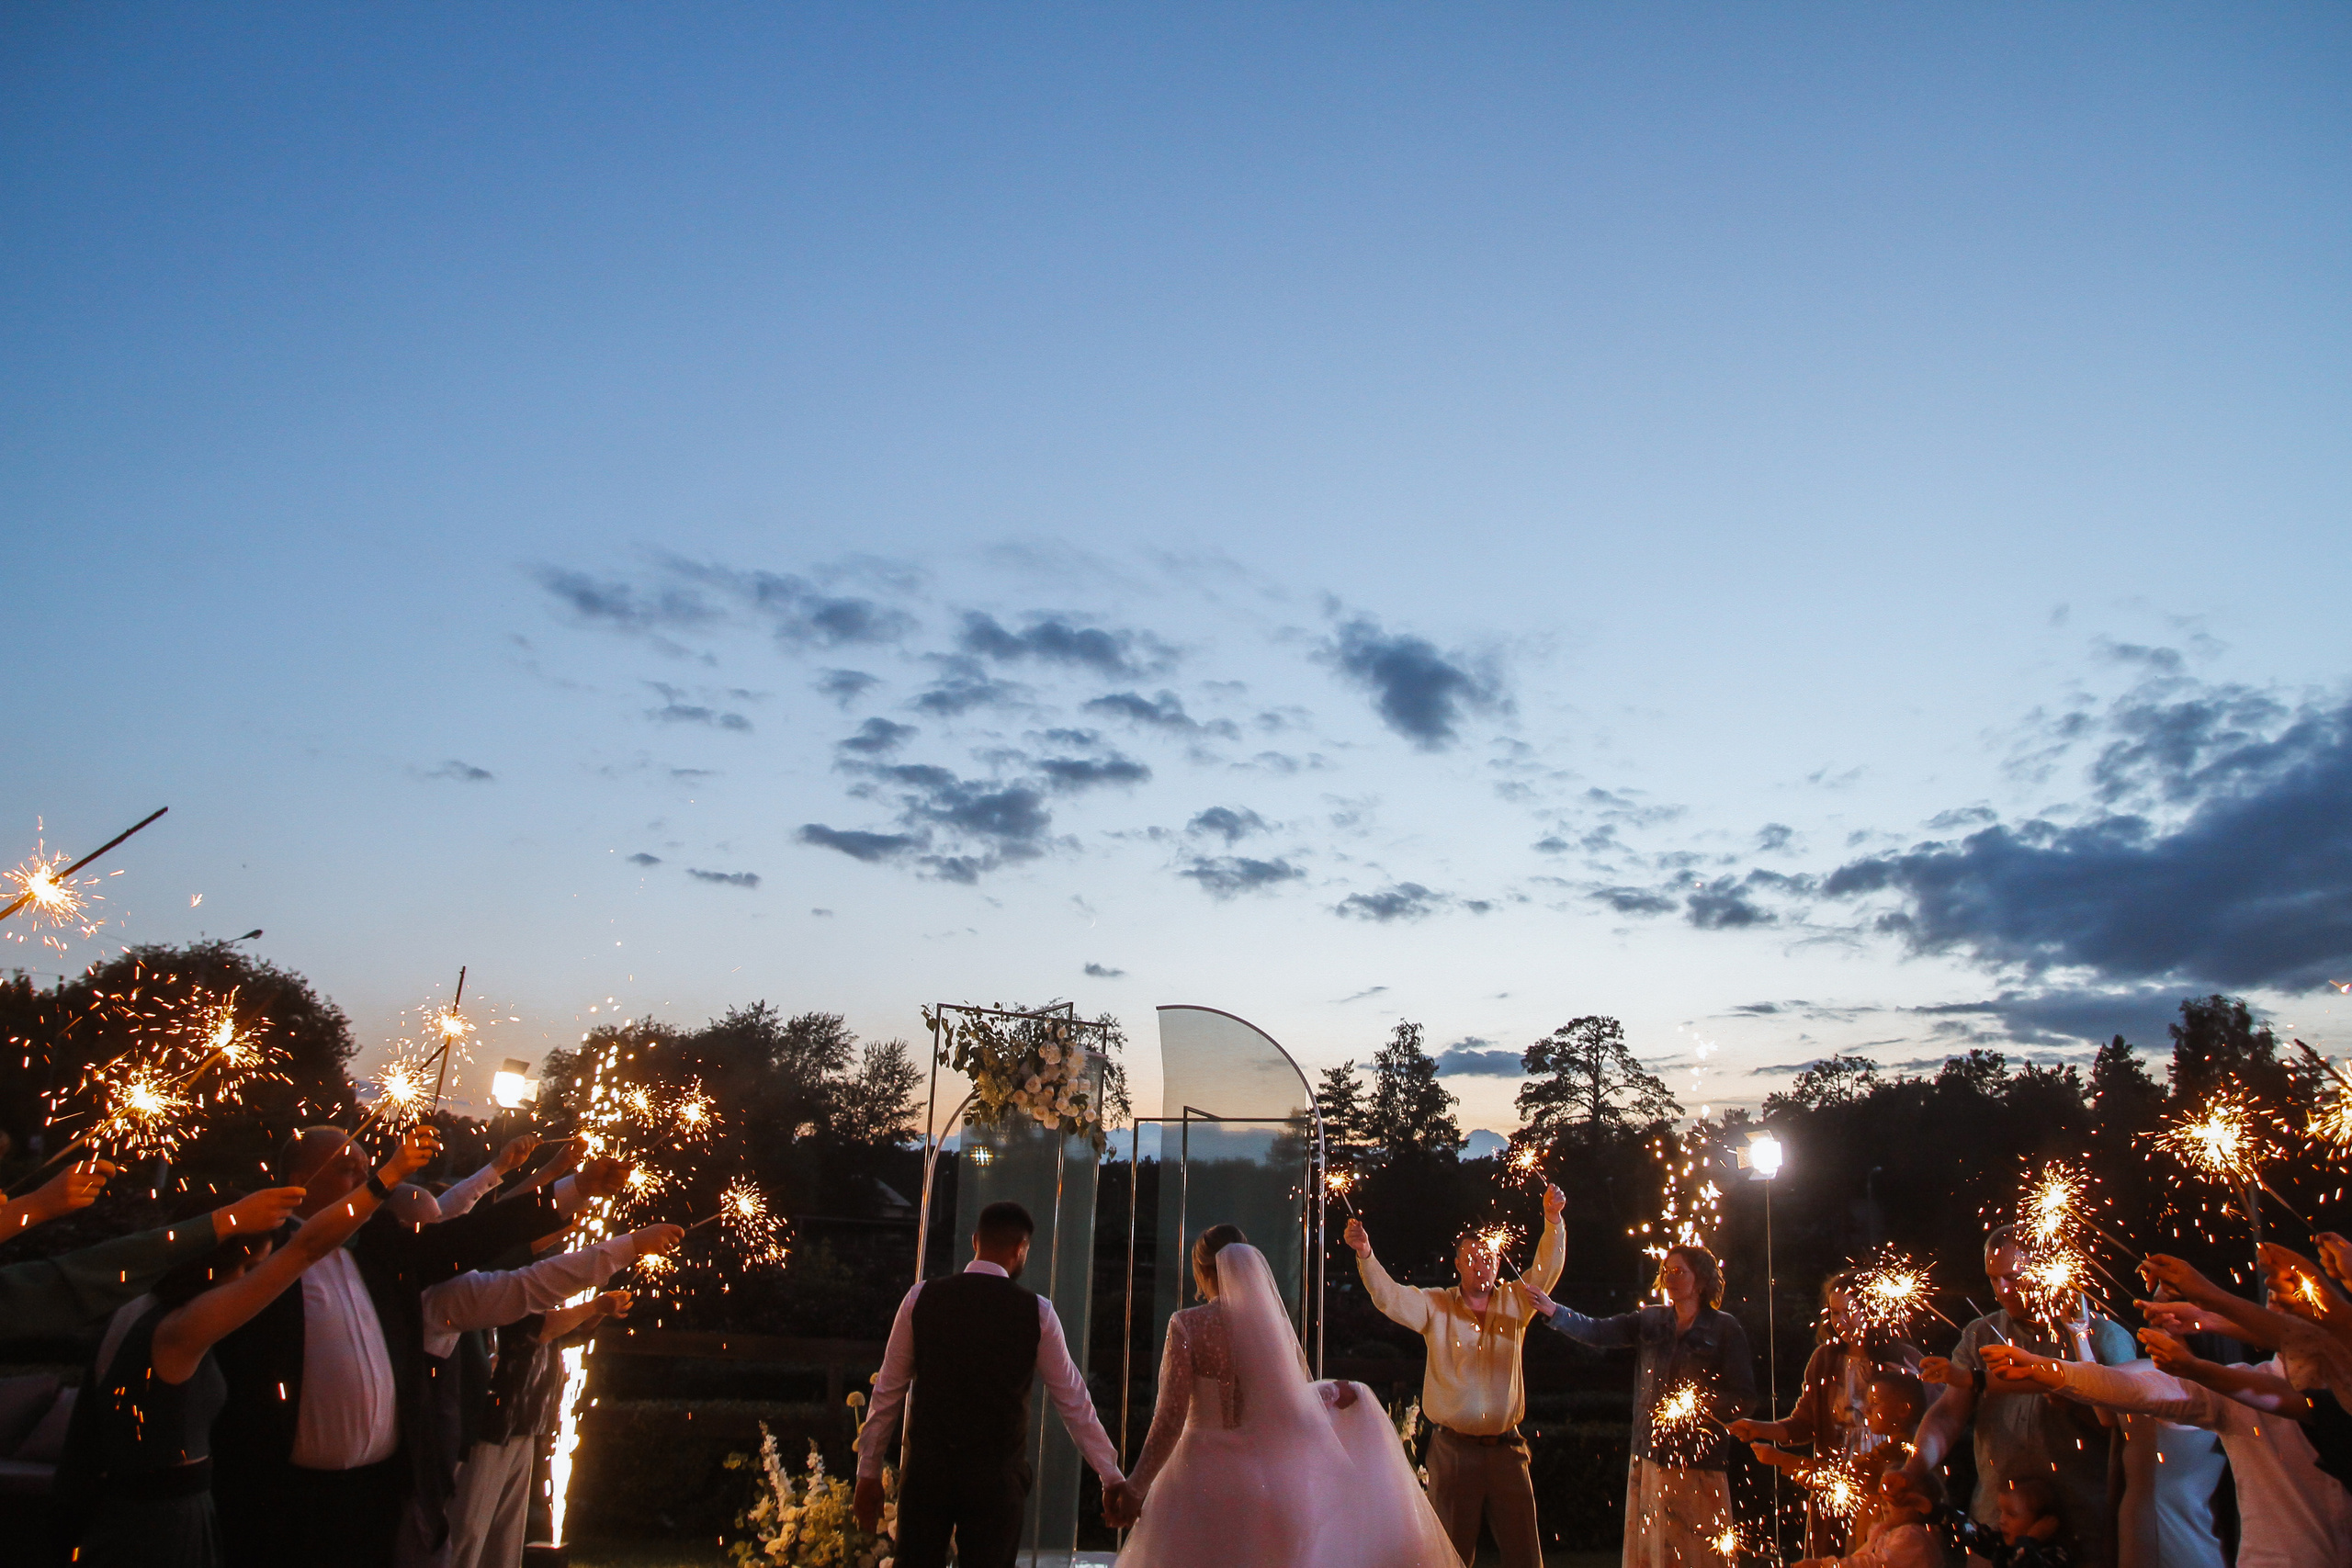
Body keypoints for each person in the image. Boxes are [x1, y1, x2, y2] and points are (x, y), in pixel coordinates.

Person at [209, 1125, 612, 1568]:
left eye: (368, 1172)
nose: (365, 1182)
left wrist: (570, 1191)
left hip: (375, 1498)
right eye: (349, 1171)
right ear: (301, 1180)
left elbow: (467, 1234)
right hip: (282, 1502)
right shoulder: (260, 1254)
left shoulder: (378, 1247)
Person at [56, 1127, 439, 1568]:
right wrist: (388, 1175)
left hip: (118, 1509)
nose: (249, 1280)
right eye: (250, 1267)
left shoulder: (133, 1309)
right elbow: (305, 1249)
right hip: (167, 1522)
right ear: (223, 1260)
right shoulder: (183, 1331)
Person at [1119, 1224, 1461, 1567]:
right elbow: (1288, 1403)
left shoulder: (1187, 1325)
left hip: (1197, 1479)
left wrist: (1135, 1488)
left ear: (1200, 1268)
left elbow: (1169, 1419)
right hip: (1261, 1483)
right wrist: (1327, 1394)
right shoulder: (1272, 1330)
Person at [851, 1200, 1135, 1568]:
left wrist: (868, 1472)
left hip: (928, 1472)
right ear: (1021, 1249)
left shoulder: (920, 1299)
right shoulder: (1037, 1313)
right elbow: (1074, 1402)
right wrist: (1110, 1474)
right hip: (996, 1481)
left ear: (975, 1241)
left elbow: (887, 1392)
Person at [1344, 1181, 1566, 1568]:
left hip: (1507, 1451)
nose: (1482, 1263)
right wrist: (1365, 1254)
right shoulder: (1436, 1305)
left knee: (1525, 1557)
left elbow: (1546, 1271)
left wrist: (1552, 1220)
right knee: (1447, 1556)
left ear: (1498, 1262)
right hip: (1452, 1452)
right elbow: (1391, 1297)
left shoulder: (1517, 1301)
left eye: (1488, 1256)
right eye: (1472, 1258)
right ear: (1459, 1264)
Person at [1898, 1224, 2134, 1568]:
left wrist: (2078, 1408)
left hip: (2079, 1525)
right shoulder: (1982, 1335)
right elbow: (1949, 1413)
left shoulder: (2101, 1339)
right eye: (1993, 1279)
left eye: (2012, 1277)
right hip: (1997, 1526)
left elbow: (2132, 1433)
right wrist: (1913, 1469)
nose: (2001, 1290)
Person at [1526, 1243, 1757, 1568]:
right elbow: (1599, 1331)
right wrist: (1554, 1311)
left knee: (1698, 1553)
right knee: (1652, 1551)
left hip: (1698, 1463)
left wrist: (1699, 1407)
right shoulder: (1652, 1320)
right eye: (1667, 1271)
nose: (1671, 1278)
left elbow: (1744, 1397)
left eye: (1680, 1272)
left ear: (1701, 1280)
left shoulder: (1724, 1329)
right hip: (1651, 1456)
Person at [1731, 1270, 1923, 1556]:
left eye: (1850, 1312)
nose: (1841, 1321)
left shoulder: (1903, 1358)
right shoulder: (1824, 1360)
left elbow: (1923, 1423)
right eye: (1834, 1313)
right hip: (1833, 1480)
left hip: (1885, 1477)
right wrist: (1759, 1429)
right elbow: (1804, 1423)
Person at [0, 1158, 300, 1339]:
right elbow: (77, 1280)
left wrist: (29, 1208)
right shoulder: (165, 1326)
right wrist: (222, 1223)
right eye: (246, 1267)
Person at [442, 1287, 635, 1568]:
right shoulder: (506, 1279)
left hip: (523, 1421)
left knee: (505, 1538)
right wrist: (594, 1307)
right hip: (489, 1424)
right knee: (468, 1532)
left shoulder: (535, 1278)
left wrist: (595, 1315)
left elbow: (562, 1334)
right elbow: (537, 1330)